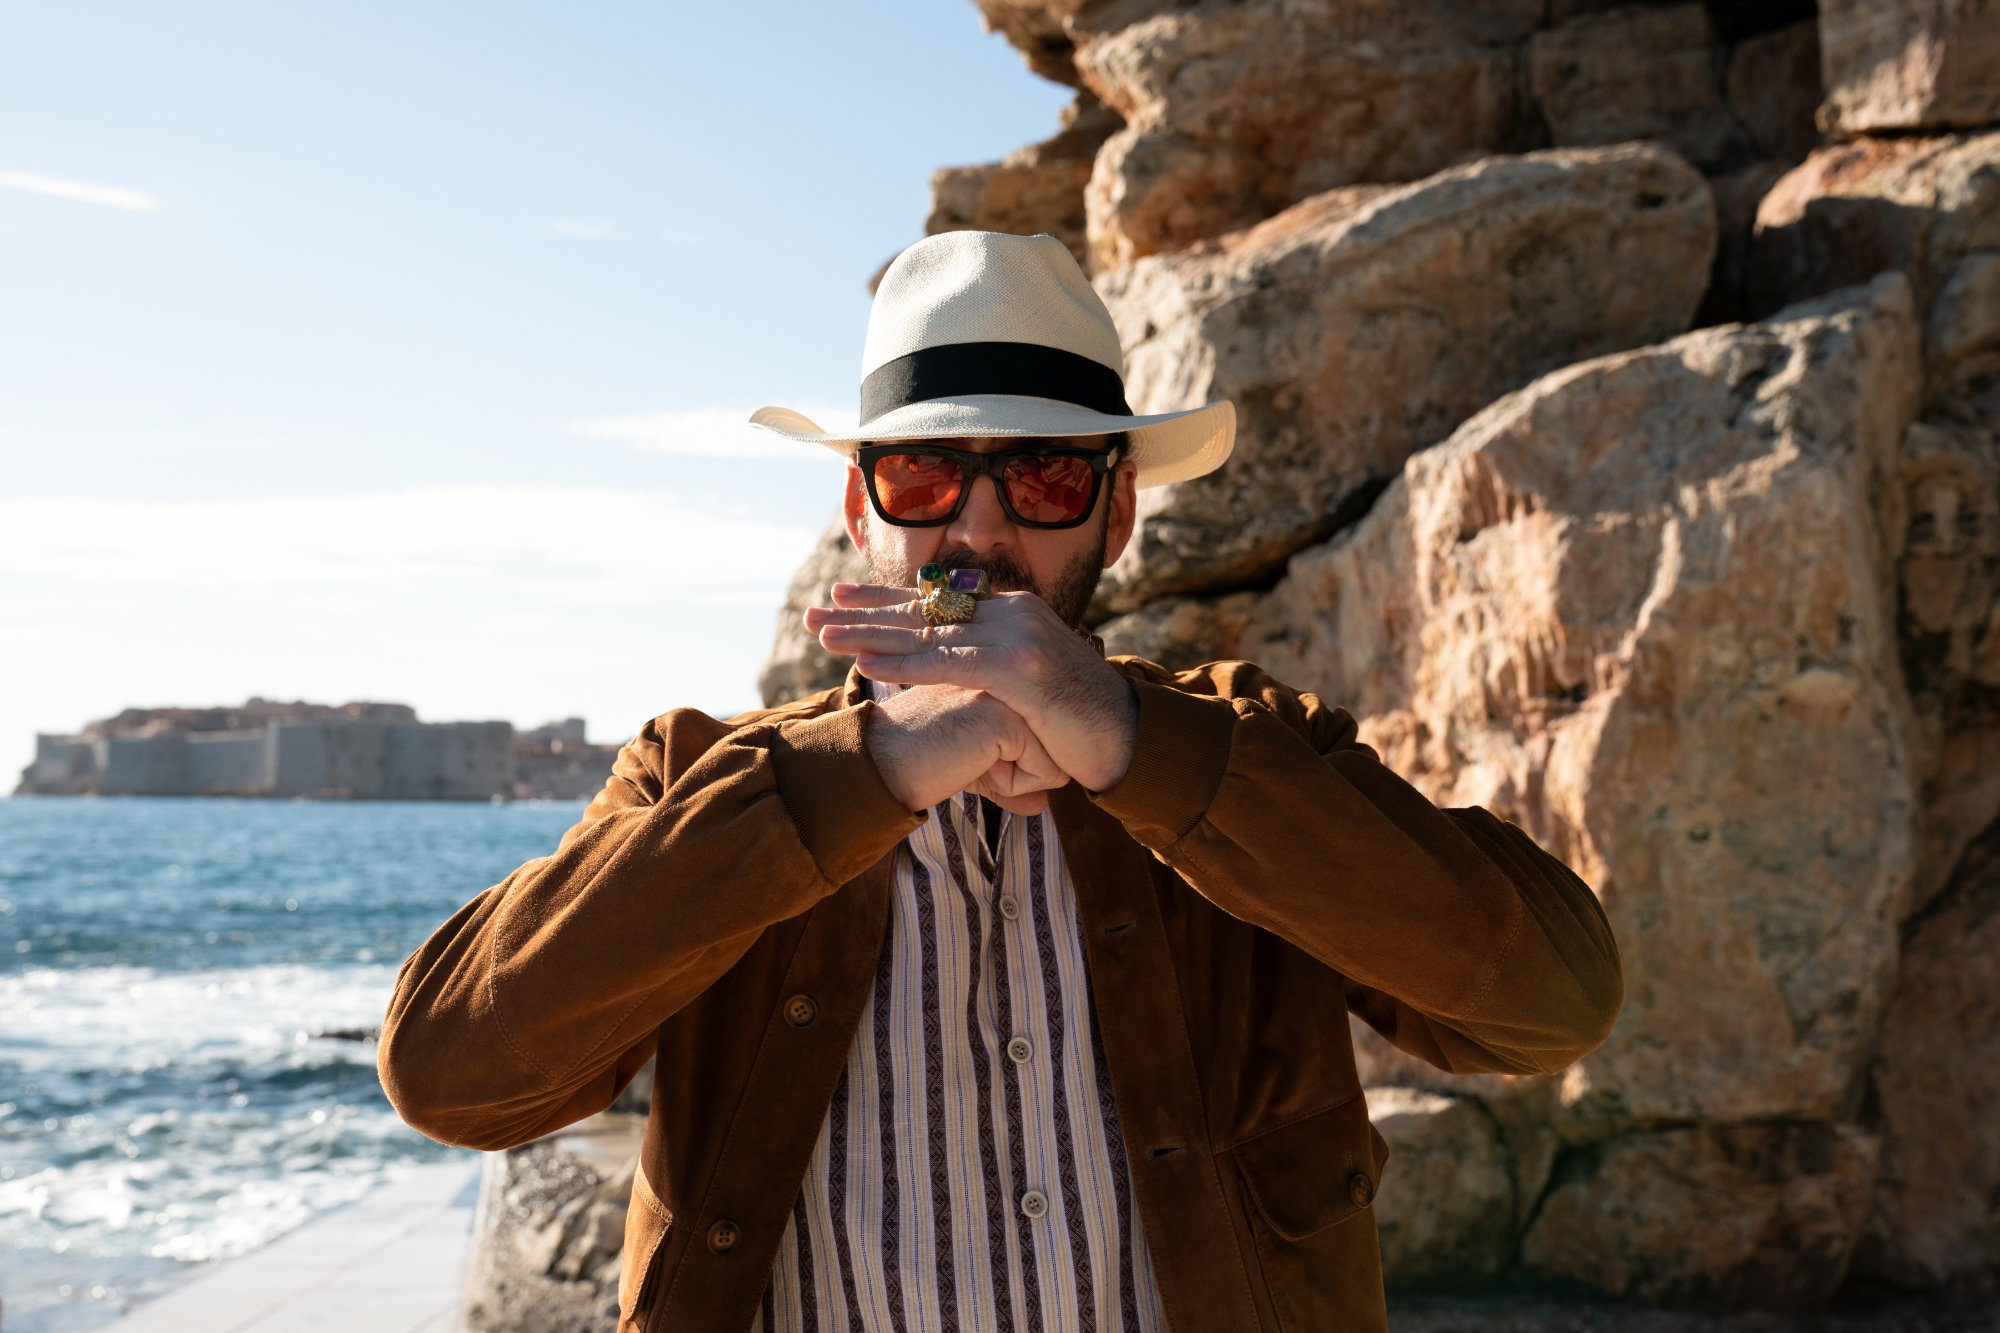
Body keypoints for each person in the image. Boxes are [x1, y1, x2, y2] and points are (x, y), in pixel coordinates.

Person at [378, 230, 1624, 1333]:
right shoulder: (701, 781)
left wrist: (1127, 741)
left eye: (1039, 476)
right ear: (859, 513)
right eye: (921, 477)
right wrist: (871, 770)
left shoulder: (1255, 751)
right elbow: (449, 1075)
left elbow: (1548, 1003)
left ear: (1115, 513)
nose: (975, 533)